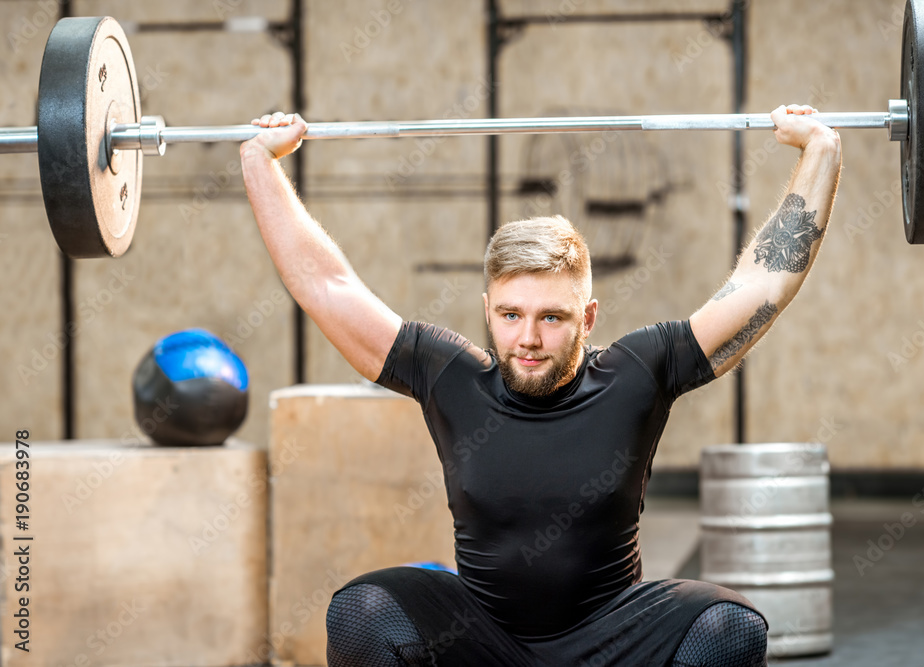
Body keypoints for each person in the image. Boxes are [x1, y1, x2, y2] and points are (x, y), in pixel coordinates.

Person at [240, 104, 841, 666]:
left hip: (612, 637)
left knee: (730, 628)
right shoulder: (449, 376)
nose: (527, 337)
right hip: (481, 639)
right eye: (509, 315)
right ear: (487, 310)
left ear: (588, 317)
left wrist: (819, 149)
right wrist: (259, 163)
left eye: (550, 317)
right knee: (361, 612)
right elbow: (325, 286)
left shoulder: (637, 372)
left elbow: (763, 285)